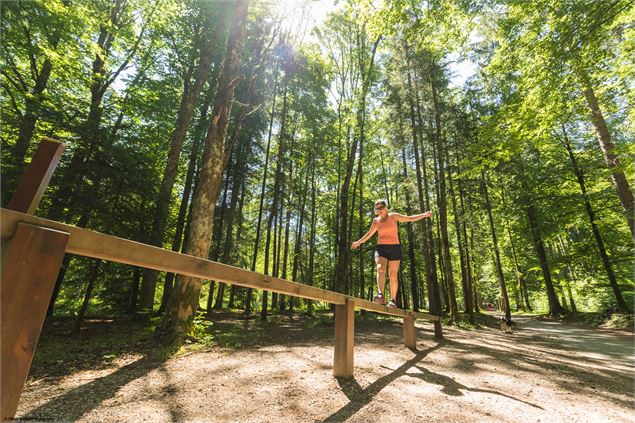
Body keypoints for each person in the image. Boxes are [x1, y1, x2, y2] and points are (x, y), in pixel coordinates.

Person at [351, 199, 432, 308]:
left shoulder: (393, 217)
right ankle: (381, 295)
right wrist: (358, 242)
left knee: (393, 274)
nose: (379, 210)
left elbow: (409, 219)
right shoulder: (376, 221)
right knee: (380, 268)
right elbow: (369, 234)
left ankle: (392, 300)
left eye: (381, 207)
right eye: (377, 208)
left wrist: (424, 215)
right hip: (381, 248)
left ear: (386, 208)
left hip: (394, 248)